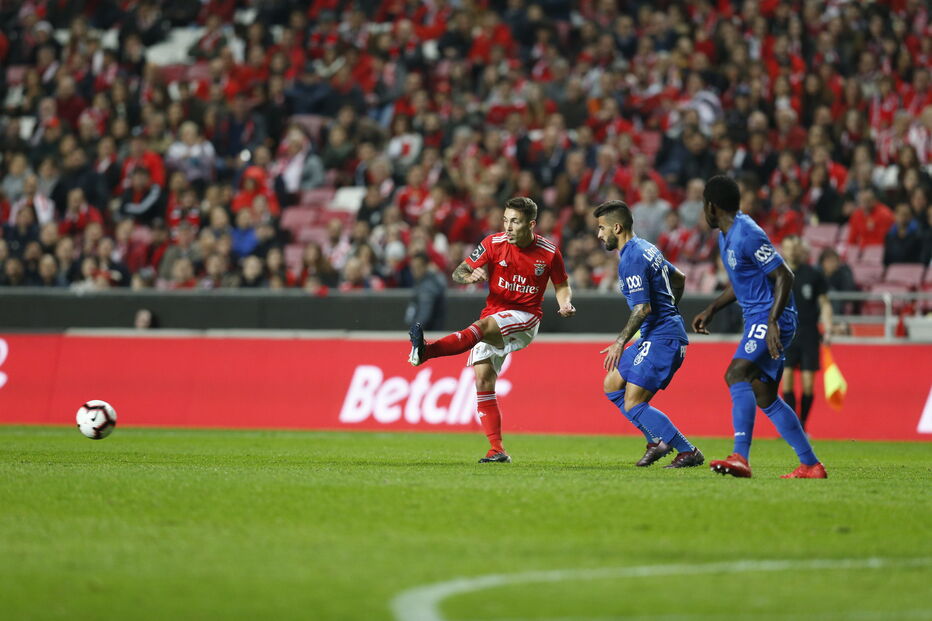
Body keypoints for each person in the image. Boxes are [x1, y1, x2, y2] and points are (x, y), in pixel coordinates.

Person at [407, 197, 576, 463]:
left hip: (525, 318)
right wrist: (469, 276)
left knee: (483, 327)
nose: (508, 227)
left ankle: (427, 351)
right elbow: (459, 272)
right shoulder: (492, 244)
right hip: (494, 314)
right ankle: (497, 449)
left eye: (515, 222)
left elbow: (562, 284)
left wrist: (565, 303)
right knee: (483, 380)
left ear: (531, 224)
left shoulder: (549, 251)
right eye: (506, 220)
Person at [692, 175, 827, 479]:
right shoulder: (726, 235)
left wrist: (773, 321)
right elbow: (742, 281)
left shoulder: (747, 233)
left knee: (736, 373)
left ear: (711, 207)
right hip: (760, 317)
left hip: (770, 317)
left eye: (703, 205)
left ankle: (741, 456)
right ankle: (810, 464)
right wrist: (712, 308)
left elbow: (785, 276)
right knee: (765, 396)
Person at [594, 200, 704, 468]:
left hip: (662, 338)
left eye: (601, 228)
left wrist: (620, 342)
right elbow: (678, 278)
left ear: (616, 228)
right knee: (612, 385)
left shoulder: (631, 258)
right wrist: (669, 310)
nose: (599, 235)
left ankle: (688, 451)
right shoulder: (647, 248)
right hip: (657, 334)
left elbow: (643, 307)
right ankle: (656, 441)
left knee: (633, 402)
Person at [779, 235, 833, 430]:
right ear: (782, 250)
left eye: (795, 247)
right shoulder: (777, 274)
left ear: (801, 250)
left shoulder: (813, 275)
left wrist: (827, 328)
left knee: (808, 385)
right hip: (786, 333)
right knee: (787, 382)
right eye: (788, 247)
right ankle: (793, 427)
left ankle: (803, 423)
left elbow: (825, 303)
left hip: (809, 332)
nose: (792, 251)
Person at [404, 252, 447, 330]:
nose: (415, 271)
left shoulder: (428, 286)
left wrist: (414, 331)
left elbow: (424, 316)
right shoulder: (421, 282)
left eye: (418, 267)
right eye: (413, 268)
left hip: (428, 335)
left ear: (426, 266)